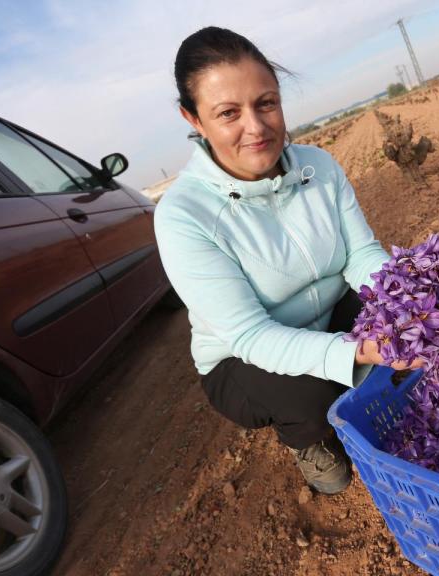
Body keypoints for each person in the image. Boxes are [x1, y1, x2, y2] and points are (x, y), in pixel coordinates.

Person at [154, 26, 422, 495]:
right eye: (228, 113)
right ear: (193, 119)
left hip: (328, 313)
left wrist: (404, 302)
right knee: (316, 394)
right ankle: (309, 440)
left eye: (266, 103)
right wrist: (356, 350)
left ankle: (365, 384)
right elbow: (251, 335)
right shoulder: (183, 215)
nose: (255, 128)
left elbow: (360, 255)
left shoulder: (318, 167)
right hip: (242, 358)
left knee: (404, 332)